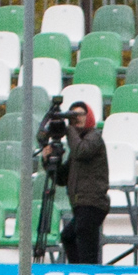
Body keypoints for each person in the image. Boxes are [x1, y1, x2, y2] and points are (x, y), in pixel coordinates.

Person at [39, 100, 109, 265]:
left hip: (92, 203)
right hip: (81, 204)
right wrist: (48, 160)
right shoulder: (77, 145)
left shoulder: (94, 137)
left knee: (86, 249)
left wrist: (69, 129)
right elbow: (62, 178)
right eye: (73, 116)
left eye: (80, 115)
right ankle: (78, 271)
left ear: (89, 116)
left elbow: (81, 151)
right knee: (68, 236)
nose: (77, 119)